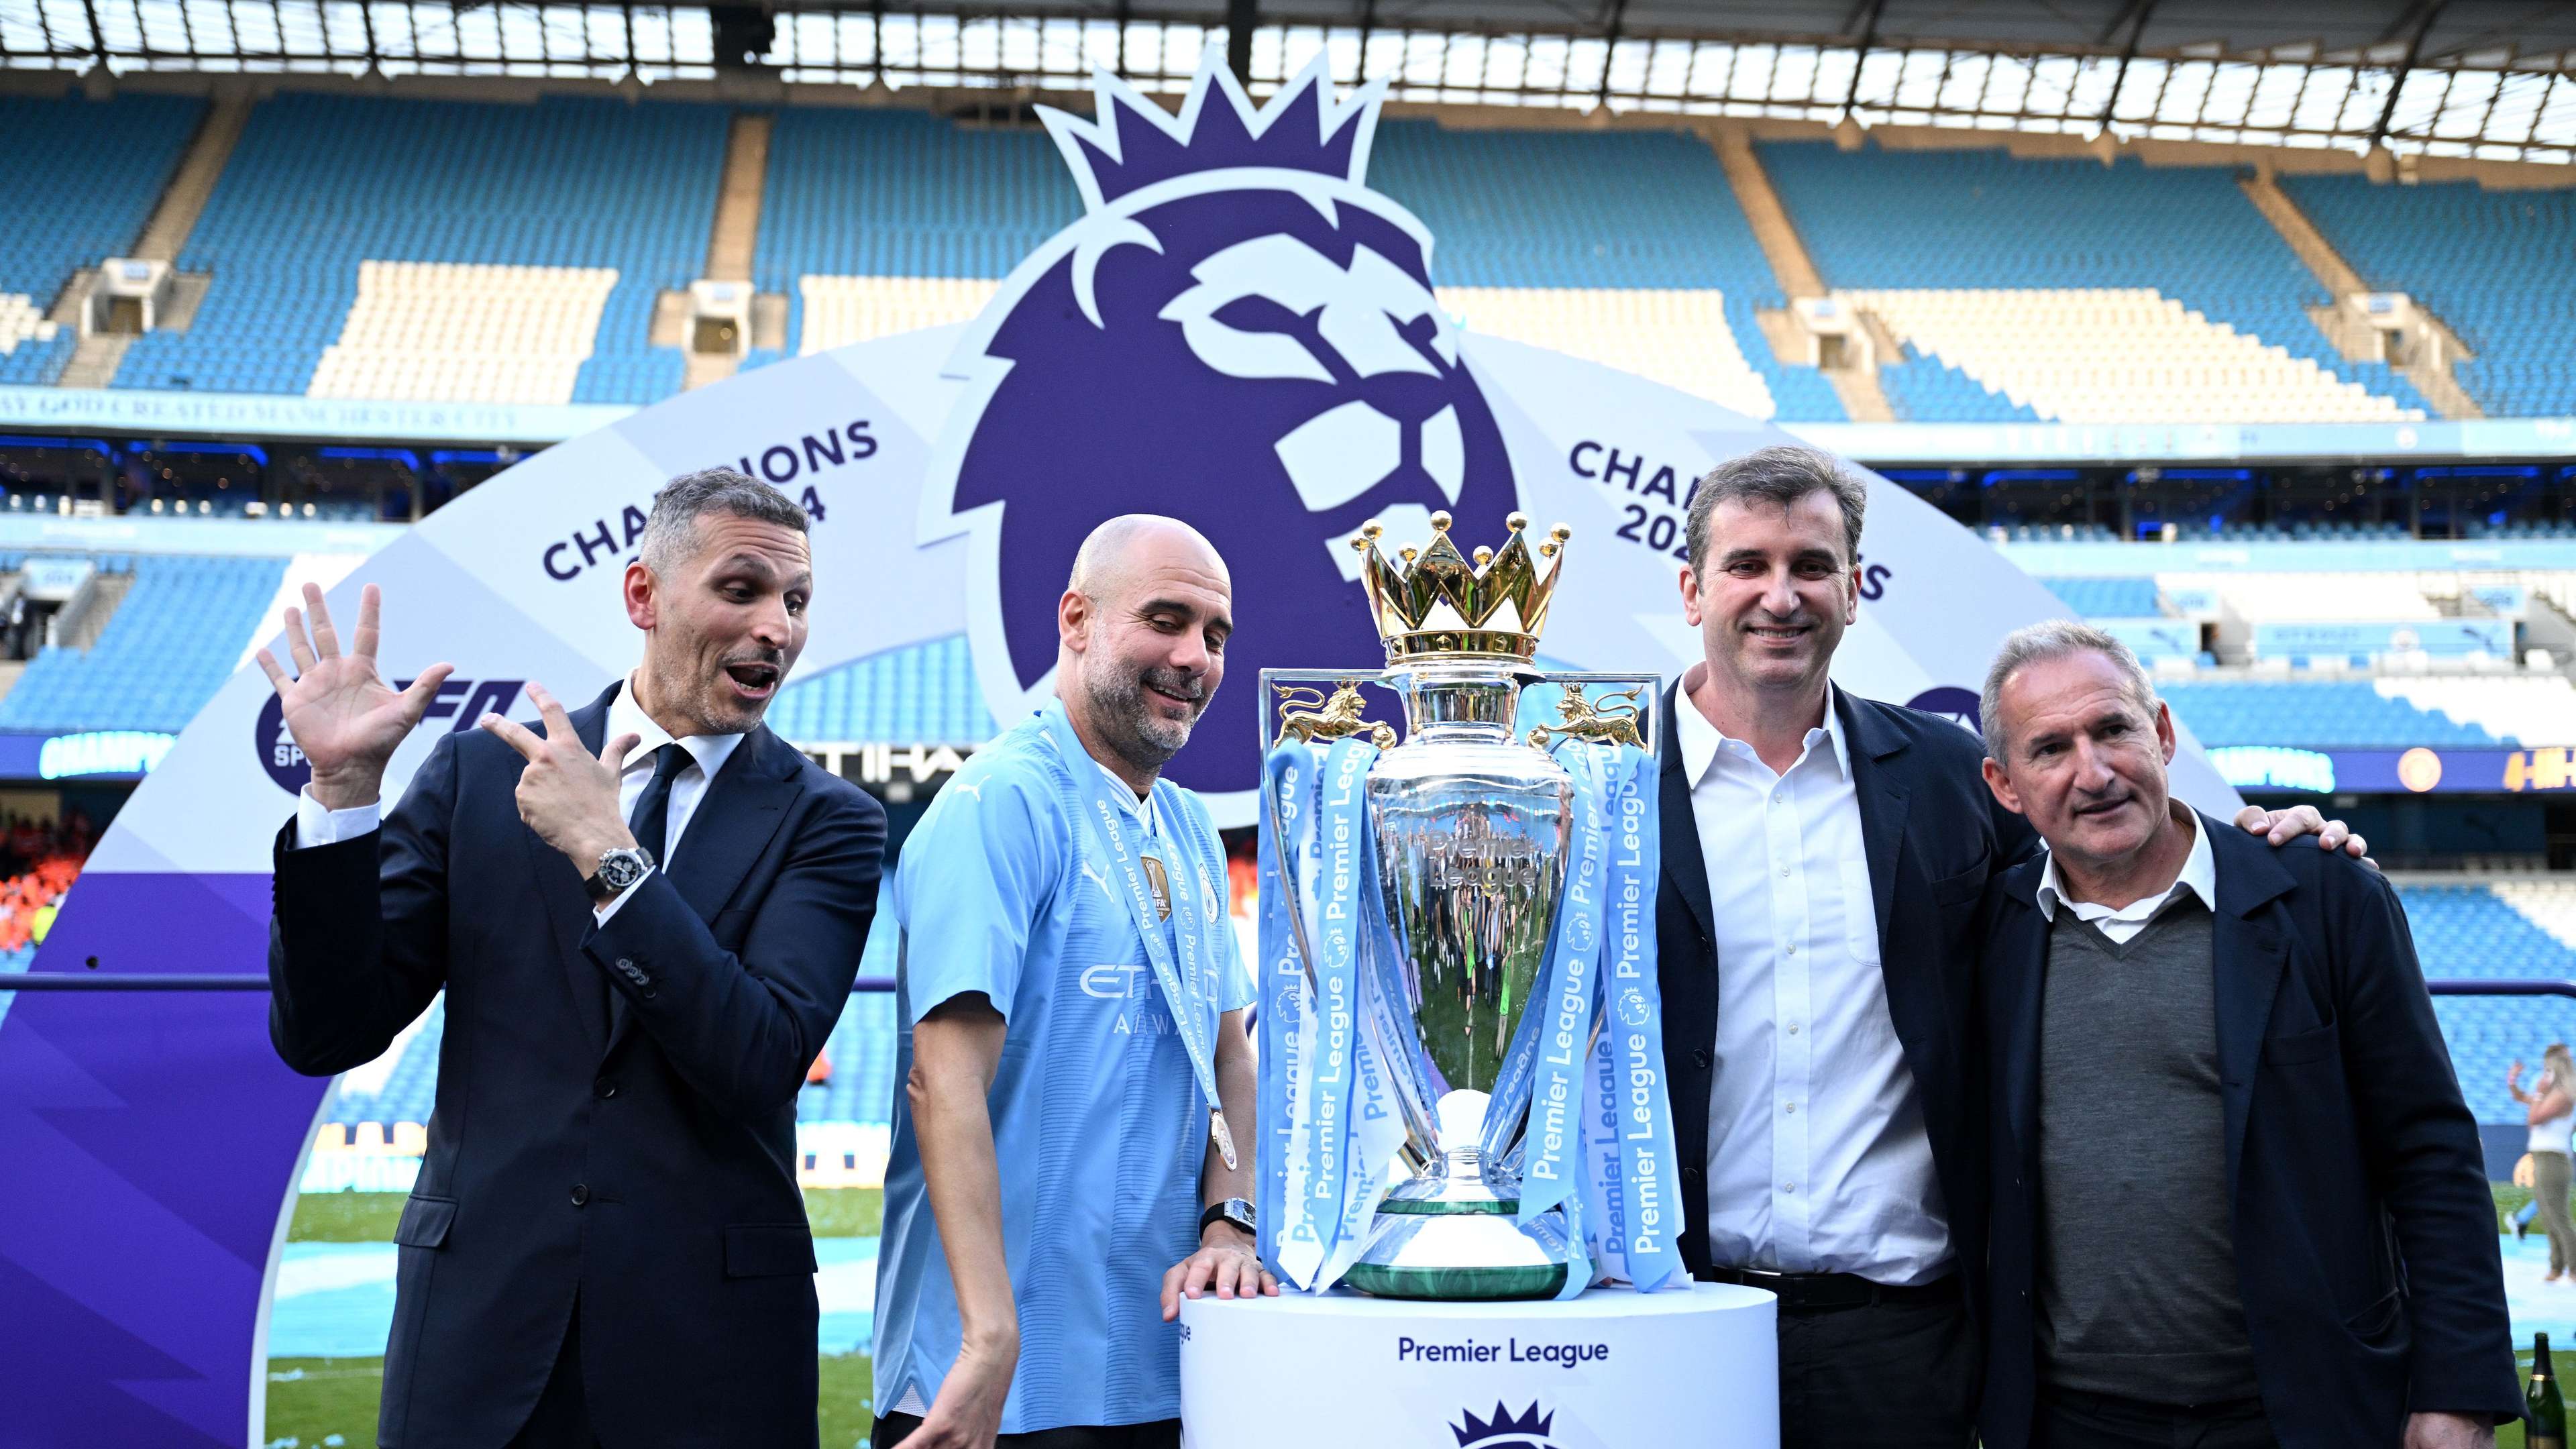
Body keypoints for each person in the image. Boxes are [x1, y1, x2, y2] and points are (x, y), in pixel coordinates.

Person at [1652, 445, 2365, 1447]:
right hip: (1675, 1318)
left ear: (1854, 593)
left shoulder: (1947, 777)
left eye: (1812, 566)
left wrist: (2264, 839)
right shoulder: (1598, 781)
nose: (1782, 596)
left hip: (1903, 1341)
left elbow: (2106, 831)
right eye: (1748, 566)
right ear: (1693, 590)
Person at [262, 466, 887, 1447]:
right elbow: (326, 1030)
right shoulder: (478, 775)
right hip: (478, 1343)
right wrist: (342, 796)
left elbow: (760, 1057)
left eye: (797, 601)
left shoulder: (830, 823)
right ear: (643, 595)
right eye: (743, 590)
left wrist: (611, 858)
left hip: (713, 1358)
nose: (780, 627)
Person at [1974, 620, 2518, 1449]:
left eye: (2114, 729)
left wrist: (2457, 1393)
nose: (2095, 772)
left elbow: (2430, 1152)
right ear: (2006, 786)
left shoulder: (2326, 898)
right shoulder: (1989, 932)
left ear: (2161, 732)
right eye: (2050, 749)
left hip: (2304, 1413)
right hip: (2072, 1423)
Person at [869, 515, 1271, 1449]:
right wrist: (989, 1334)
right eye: (1165, 620)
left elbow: (1229, 1056)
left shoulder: (1190, 830)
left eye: (1215, 636)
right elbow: (944, 1078)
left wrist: (1229, 1226)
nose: (1194, 657)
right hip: (992, 1383)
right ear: (1076, 618)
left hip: (1154, 1363)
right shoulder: (999, 803)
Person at [2512, 1045, 2576, 1280]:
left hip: (2553, 1157)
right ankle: (2557, 1266)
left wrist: (2539, 1094)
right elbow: (2521, 1099)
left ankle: (2573, 1267)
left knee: (2558, 1216)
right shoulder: (2555, 1093)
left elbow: (2534, 1117)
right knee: (2549, 1215)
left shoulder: (2561, 1095)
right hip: (2543, 1156)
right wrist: (2513, 1080)